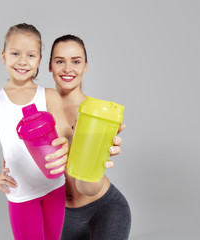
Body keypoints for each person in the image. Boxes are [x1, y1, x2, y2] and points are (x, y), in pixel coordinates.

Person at [0, 23, 73, 240]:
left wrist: (67, 144)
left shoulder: (49, 96)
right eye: (15, 53)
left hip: (55, 187)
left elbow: (64, 134)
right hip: (21, 193)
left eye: (31, 55)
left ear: (40, 60)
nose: (23, 61)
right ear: (3, 56)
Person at [48, 34, 131, 240]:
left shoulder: (99, 114)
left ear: (85, 66)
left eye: (76, 61)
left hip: (105, 208)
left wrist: (106, 154)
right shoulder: (38, 112)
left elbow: (90, 184)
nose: (68, 69)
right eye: (60, 61)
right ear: (49, 65)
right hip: (60, 216)